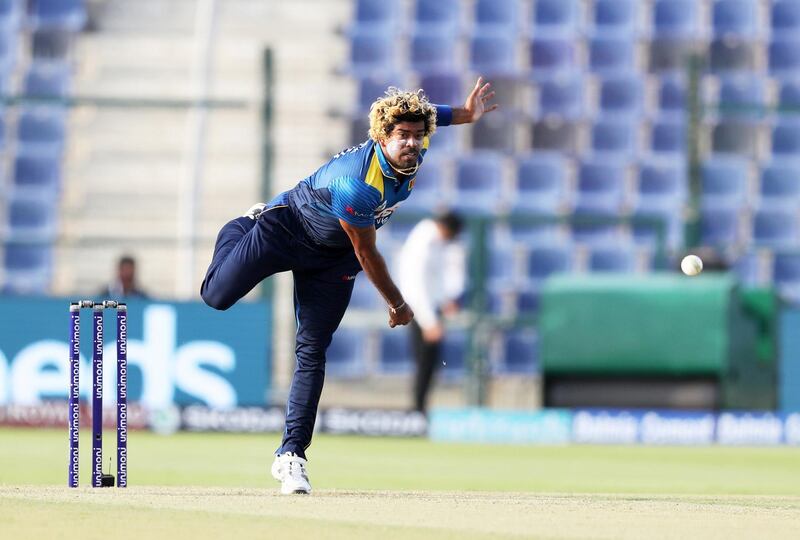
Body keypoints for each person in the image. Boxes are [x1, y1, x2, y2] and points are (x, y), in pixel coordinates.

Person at [200, 78, 497, 495]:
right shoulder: (358, 182)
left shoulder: (416, 148)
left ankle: (291, 456)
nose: (411, 143)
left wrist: (466, 114)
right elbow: (367, 254)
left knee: (312, 350)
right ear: (381, 137)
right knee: (215, 297)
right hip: (285, 228)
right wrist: (397, 304)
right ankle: (243, 223)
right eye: (402, 137)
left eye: (416, 136)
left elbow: (434, 119)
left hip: (331, 257)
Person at [396, 212, 466, 414]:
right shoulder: (424, 239)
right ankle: (417, 410)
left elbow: (437, 276)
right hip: (415, 309)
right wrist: (428, 321)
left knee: (430, 362)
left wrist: (446, 299)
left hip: (427, 308)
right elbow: (414, 284)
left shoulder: (436, 242)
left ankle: (420, 407)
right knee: (424, 361)